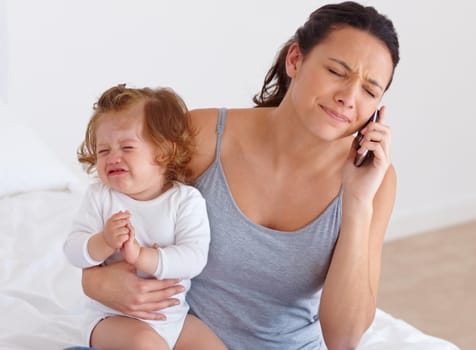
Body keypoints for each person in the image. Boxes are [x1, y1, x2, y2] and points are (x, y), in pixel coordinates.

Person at [81, 2, 400, 349]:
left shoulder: (373, 181)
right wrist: (96, 284)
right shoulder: (205, 136)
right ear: (296, 60)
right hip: (180, 339)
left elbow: (344, 338)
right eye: (336, 72)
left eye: (370, 90)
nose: (348, 98)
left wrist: (356, 201)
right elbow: (110, 205)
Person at [63, 85, 226, 349]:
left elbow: (194, 258)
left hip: (173, 318)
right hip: (112, 319)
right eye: (103, 150)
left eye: (127, 147)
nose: (112, 157)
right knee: (145, 344)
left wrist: (142, 257)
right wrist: (104, 241)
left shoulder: (185, 200)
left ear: (163, 151)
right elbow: (72, 251)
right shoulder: (100, 197)